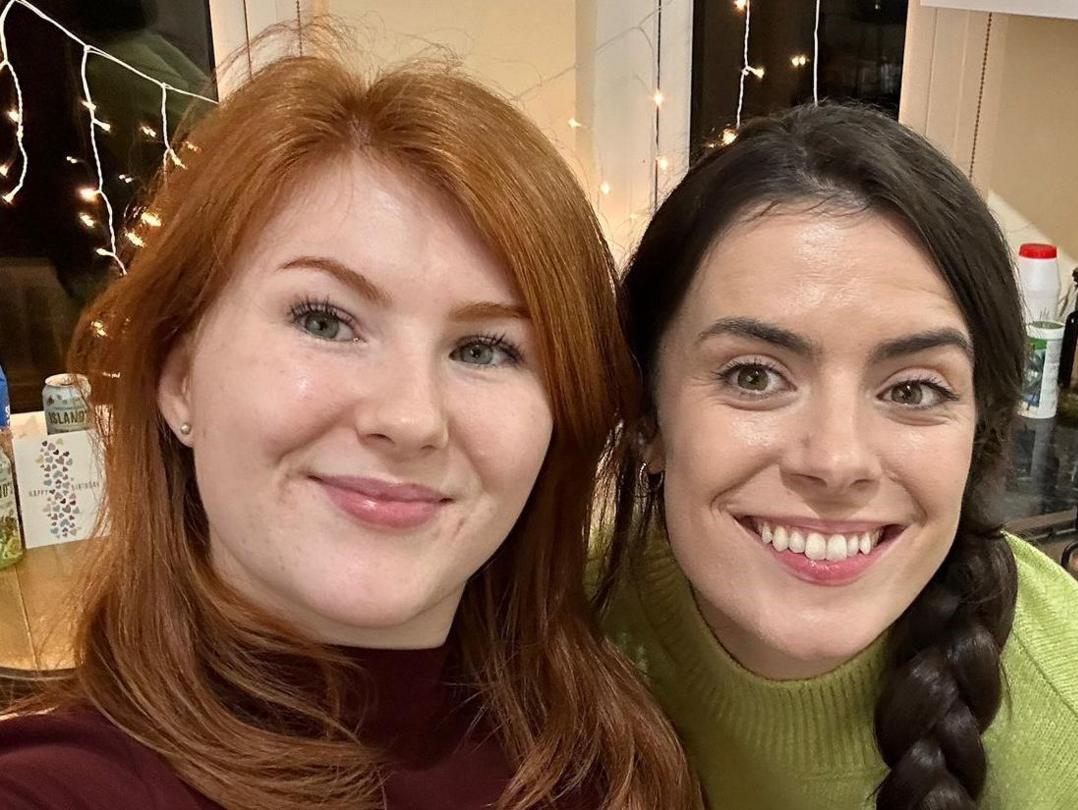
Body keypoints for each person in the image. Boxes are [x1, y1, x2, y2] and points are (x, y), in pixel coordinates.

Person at [0, 46, 698, 810]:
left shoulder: (611, 756)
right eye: (325, 321)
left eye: (486, 348)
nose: (408, 418)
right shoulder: (62, 785)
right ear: (179, 379)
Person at [599, 103, 1078, 809]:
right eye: (754, 375)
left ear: (978, 432)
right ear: (646, 415)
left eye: (912, 388)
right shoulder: (545, 626)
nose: (837, 461)